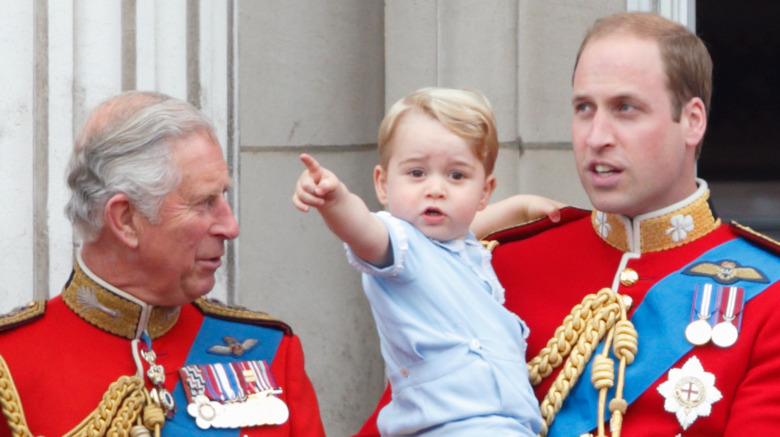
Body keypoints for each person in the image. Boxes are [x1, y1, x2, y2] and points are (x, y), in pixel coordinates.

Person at [354, 12, 780, 437]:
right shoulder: (496, 264)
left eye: (625, 108)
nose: (596, 137)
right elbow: (411, 414)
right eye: (583, 109)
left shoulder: (768, 294)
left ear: (692, 121)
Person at [0, 91, 325, 436]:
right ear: (125, 219)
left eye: (223, 197)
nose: (230, 227)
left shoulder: (270, 351)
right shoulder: (11, 363)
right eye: (204, 202)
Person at [293, 87, 561, 435]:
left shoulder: (458, 245)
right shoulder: (397, 245)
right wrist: (334, 200)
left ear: (485, 191)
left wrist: (520, 207)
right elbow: (361, 229)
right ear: (383, 184)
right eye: (417, 173)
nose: (436, 189)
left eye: (456, 176)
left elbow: (470, 229)